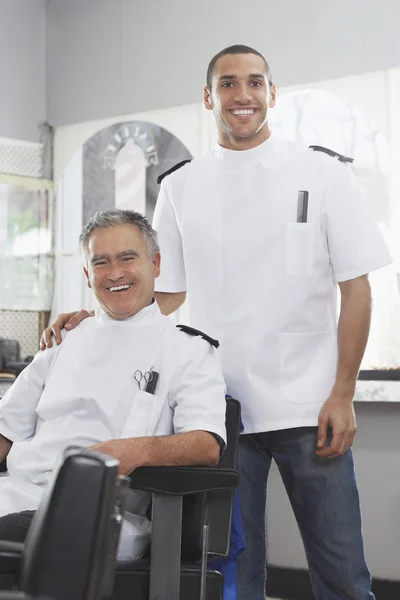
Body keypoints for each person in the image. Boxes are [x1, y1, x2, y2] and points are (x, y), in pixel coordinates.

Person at [42, 46, 392, 600]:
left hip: (311, 405)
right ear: (209, 97)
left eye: (255, 82)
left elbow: (357, 287)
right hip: (219, 409)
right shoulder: (181, 186)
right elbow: (170, 292)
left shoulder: (323, 172)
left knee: (343, 573)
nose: (243, 95)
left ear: (272, 94)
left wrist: (343, 391)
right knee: (230, 576)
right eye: (228, 84)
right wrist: (99, 316)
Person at [0, 208, 226, 564]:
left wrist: (128, 450)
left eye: (127, 258)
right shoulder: (64, 339)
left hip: (96, 513)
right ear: (88, 276)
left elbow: (206, 444)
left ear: (156, 263)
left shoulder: (188, 351)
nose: (115, 272)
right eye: (101, 262)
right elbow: (5, 430)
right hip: (15, 497)